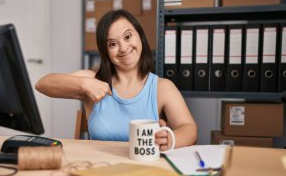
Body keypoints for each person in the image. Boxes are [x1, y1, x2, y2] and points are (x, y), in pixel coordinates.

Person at [35, 9, 197, 150]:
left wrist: (170, 139)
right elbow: (42, 84)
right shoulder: (92, 81)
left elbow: (189, 129)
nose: (123, 47)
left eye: (127, 37)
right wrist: (85, 84)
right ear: (105, 51)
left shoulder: (162, 87)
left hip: (145, 172)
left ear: (140, 36)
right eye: (113, 44)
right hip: (99, 170)